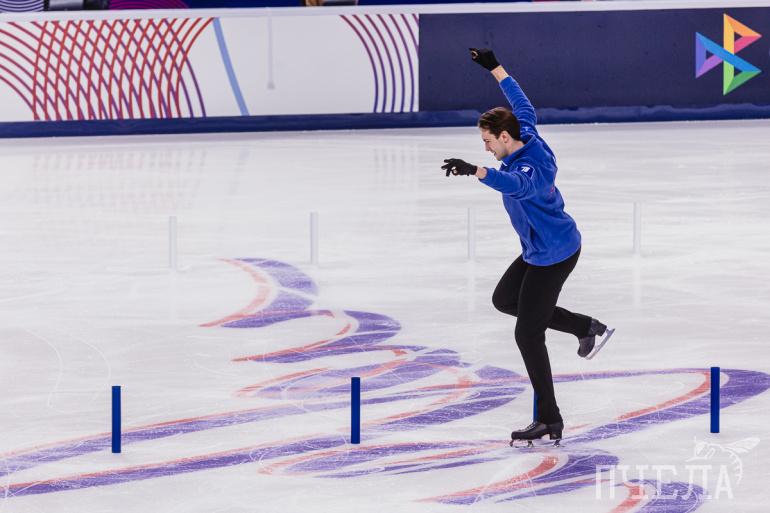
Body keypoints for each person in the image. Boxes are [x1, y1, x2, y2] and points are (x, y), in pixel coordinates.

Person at [441, 48, 614, 446]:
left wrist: (477, 171)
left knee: (528, 334)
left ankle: (549, 419)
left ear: (504, 137)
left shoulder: (532, 167)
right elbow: (523, 105)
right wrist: (495, 68)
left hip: (555, 254)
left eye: (488, 141)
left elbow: (517, 185)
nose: (486, 148)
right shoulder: (525, 132)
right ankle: (585, 327)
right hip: (539, 249)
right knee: (505, 300)